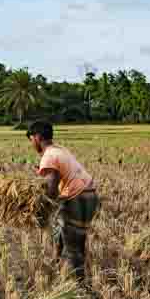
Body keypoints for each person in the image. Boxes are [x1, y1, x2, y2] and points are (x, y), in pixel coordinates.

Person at [27, 121, 99, 283]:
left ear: (37, 137)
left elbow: (52, 189)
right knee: (63, 231)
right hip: (89, 194)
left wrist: (40, 208)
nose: (32, 144)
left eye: (31, 139)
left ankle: (79, 285)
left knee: (73, 244)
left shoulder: (49, 156)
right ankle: (57, 262)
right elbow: (56, 175)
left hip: (77, 198)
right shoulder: (59, 150)